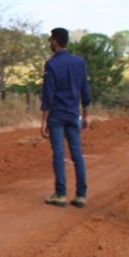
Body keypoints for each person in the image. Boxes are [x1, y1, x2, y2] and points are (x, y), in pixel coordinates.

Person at [40, 27, 91, 207]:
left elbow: (48, 94)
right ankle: (81, 195)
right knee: (77, 154)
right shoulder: (79, 62)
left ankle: (60, 194)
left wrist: (44, 120)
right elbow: (85, 90)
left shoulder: (52, 64)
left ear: (55, 41)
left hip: (56, 115)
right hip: (73, 114)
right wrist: (85, 116)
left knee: (59, 154)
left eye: (51, 41)